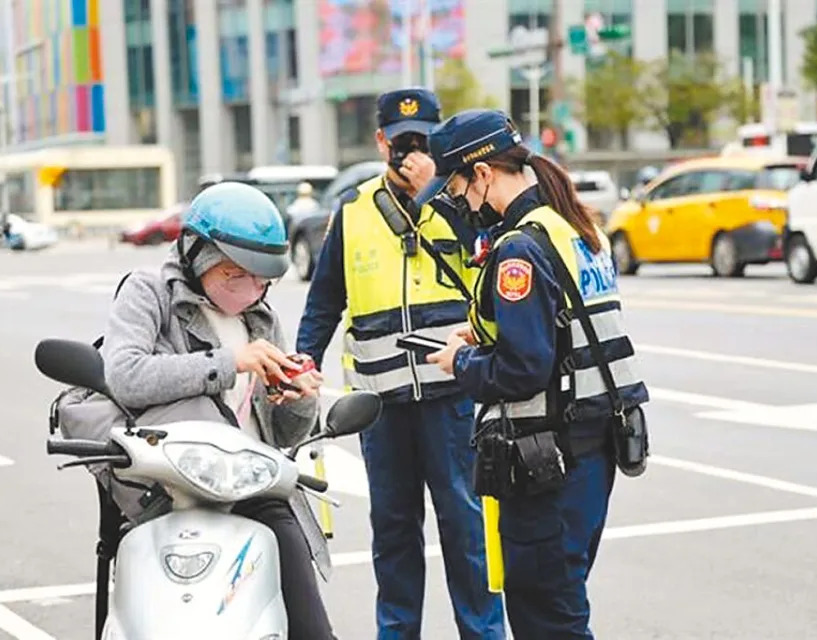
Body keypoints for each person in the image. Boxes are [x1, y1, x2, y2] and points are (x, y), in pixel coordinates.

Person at [416, 109, 649, 639]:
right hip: (593, 449)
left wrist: (461, 362)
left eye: (455, 185)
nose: (456, 200)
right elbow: (568, 325)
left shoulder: (518, 248)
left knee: (548, 617)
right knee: (563, 601)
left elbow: (522, 370)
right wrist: (484, 333)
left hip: (550, 461)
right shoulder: (572, 226)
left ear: (482, 175)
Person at [296, 89, 505, 639]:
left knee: (467, 531)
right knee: (392, 536)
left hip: (454, 396)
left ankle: (483, 633)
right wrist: (304, 364)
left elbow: (491, 258)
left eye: (422, 140)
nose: (410, 149)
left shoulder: (461, 202)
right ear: (380, 140)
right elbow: (324, 302)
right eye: (400, 139)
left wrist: (435, 192)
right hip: (382, 407)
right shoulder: (354, 211)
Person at [102, 181, 337, 640]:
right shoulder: (149, 293)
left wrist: (295, 396)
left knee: (307, 621)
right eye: (235, 275)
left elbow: (284, 434)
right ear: (195, 254)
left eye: (262, 279)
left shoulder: (260, 317)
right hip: (170, 483)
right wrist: (229, 364)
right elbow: (125, 375)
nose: (251, 289)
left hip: (250, 485)